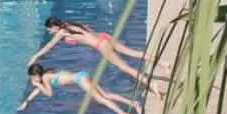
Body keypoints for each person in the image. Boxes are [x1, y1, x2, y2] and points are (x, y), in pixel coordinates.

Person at [30, 16, 159, 90]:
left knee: (124, 67)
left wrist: (35, 57)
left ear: (54, 27)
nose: (50, 32)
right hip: (104, 37)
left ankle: (152, 84)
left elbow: (48, 48)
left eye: (49, 30)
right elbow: (88, 29)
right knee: (132, 52)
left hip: (101, 45)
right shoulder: (69, 24)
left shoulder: (61, 32)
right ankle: (163, 63)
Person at [18, 63, 142, 114]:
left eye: (33, 78)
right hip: (82, 75)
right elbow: (38, 91)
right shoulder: (48, 73)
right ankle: (134, 103)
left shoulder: (45, 78)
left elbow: (49, 94)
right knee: (106, 94)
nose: (33, 80)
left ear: (36, 75)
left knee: (101, 99)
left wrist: (38, 85)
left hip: (80, 79)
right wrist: (26, 102)